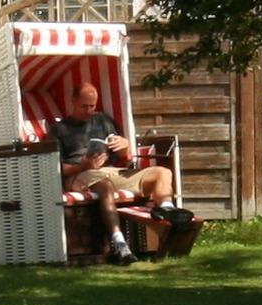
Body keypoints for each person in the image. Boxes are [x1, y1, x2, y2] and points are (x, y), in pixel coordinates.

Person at [53, 110, 178, 260]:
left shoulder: (103, 120)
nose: (89, 110)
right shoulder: (60, 129)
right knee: (106, 187)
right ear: (74, 102)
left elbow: (125, 157)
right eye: (84, 106)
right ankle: (119, 243)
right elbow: (56, 167)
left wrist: (125, 147)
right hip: (81, 174)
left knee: (162, 172)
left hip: (112, 171)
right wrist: (82, 166)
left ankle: (169, 213)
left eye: (92, 106)